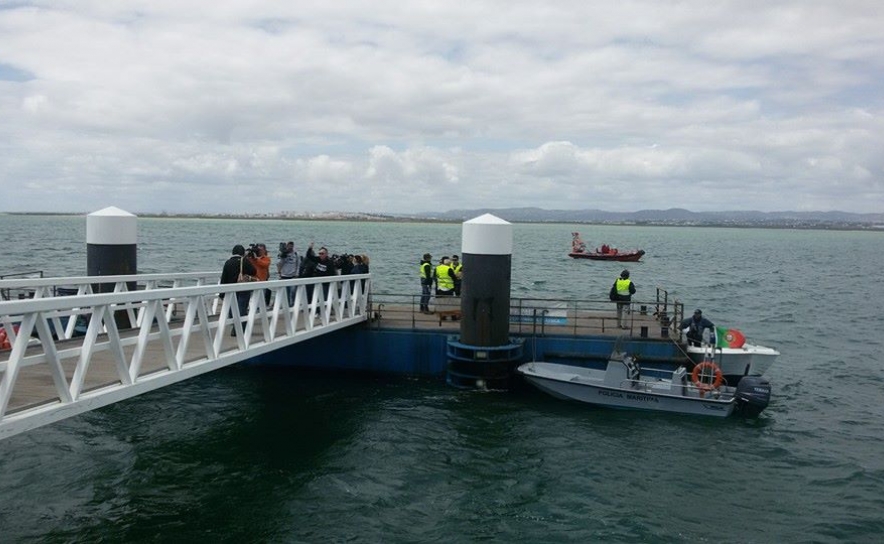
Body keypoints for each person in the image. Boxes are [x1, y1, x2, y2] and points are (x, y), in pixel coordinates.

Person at [220, 244, 257, 336]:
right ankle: (241, 328)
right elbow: (254, 271)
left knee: (232, 309)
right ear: (242, 252)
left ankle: (234, 327)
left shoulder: (228, 262)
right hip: (243, 289)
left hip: (230, 290)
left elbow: (224, 278)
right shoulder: (244, 261)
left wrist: (222, 293)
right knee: (242, 308)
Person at [277, 241, 301, 307]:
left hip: (293, 276)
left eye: (291, 245)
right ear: (286, 246)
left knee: (293, 292)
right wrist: (283, 256)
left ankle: (292, 304)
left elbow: (298, 264)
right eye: (289, 245)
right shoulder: (282, 254)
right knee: (285, 293)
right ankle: (287, 306)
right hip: (284, 276)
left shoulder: (296, 254)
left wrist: (297, 274)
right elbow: (278, 264)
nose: (290, 247)